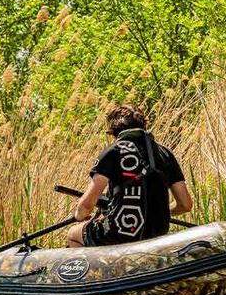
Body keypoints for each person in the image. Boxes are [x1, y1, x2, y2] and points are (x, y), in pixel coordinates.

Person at [67, 104, 193, 248]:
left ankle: (97, 271)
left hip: (119, 233)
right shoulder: (164, 153)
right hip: (158, 234)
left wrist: (79, 216)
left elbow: (86, 205)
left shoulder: (114, 151)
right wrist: (158, 214)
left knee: (73, 234)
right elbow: (185, 204)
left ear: (113, 131)